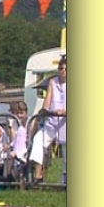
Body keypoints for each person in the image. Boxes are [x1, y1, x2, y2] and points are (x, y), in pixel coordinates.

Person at [30, 55, 66, 183]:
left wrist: (64, 111)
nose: (63, 71)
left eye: (66, 69)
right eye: (61, 68)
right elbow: (47, 101)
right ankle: (38, 176)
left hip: (65, 123)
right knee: (38, 141)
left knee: (66, 153)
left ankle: (65, 180)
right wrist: (45, 110)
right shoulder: (53, 82)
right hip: (52, 121)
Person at [6, 101, 29, 181]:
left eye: (21, 113)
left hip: (26, 149)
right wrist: (9, 145)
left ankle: (9, 177)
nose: (19, 115)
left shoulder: (30, 122)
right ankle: (8, 176)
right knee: (10, 155)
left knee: (13, 156)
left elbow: (29, 139)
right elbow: (15, 140)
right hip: (17, 149)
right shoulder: (18, 125)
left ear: (26, 112)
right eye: (17, 113)